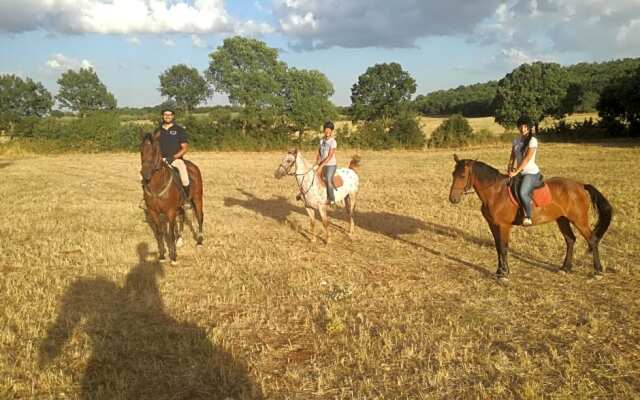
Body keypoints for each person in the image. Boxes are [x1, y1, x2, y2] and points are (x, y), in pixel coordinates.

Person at [508, 115, 541, 226]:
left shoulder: (533, 141)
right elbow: (512, 156)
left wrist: (515, 172)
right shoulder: (516, 141)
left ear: (529, 127)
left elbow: (526, 159)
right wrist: (509, 167)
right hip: (519, 172)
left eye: (525, 126)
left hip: (530, 173)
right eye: (521, 126)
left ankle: (528, 216)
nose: (523, 129)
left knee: (522, 192)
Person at [156, 108, 191, 208]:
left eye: (170, 114)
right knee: (144, 176)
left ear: (173, 116)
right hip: (160, 160)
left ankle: (186, 200)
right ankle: (148, 199)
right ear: (162, 116)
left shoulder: (179, 130)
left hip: (176, 160)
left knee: (184, 176)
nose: (167, 116)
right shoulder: (157, 131)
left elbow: (185, 148)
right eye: (165, 114)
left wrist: (173, 157)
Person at [316, 121, 338, 205]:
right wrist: (317, 160)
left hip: (331, 165)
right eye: (326, 129)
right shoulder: (321, 141)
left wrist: (322, 166)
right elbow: (318, 152)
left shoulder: (333, 142)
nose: (327, 131)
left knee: (328, 180)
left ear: (332, 131)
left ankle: (332, 200)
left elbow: (330, 156)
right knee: (312, 176)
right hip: (321, 163)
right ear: (324, 130)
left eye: (329, 129)